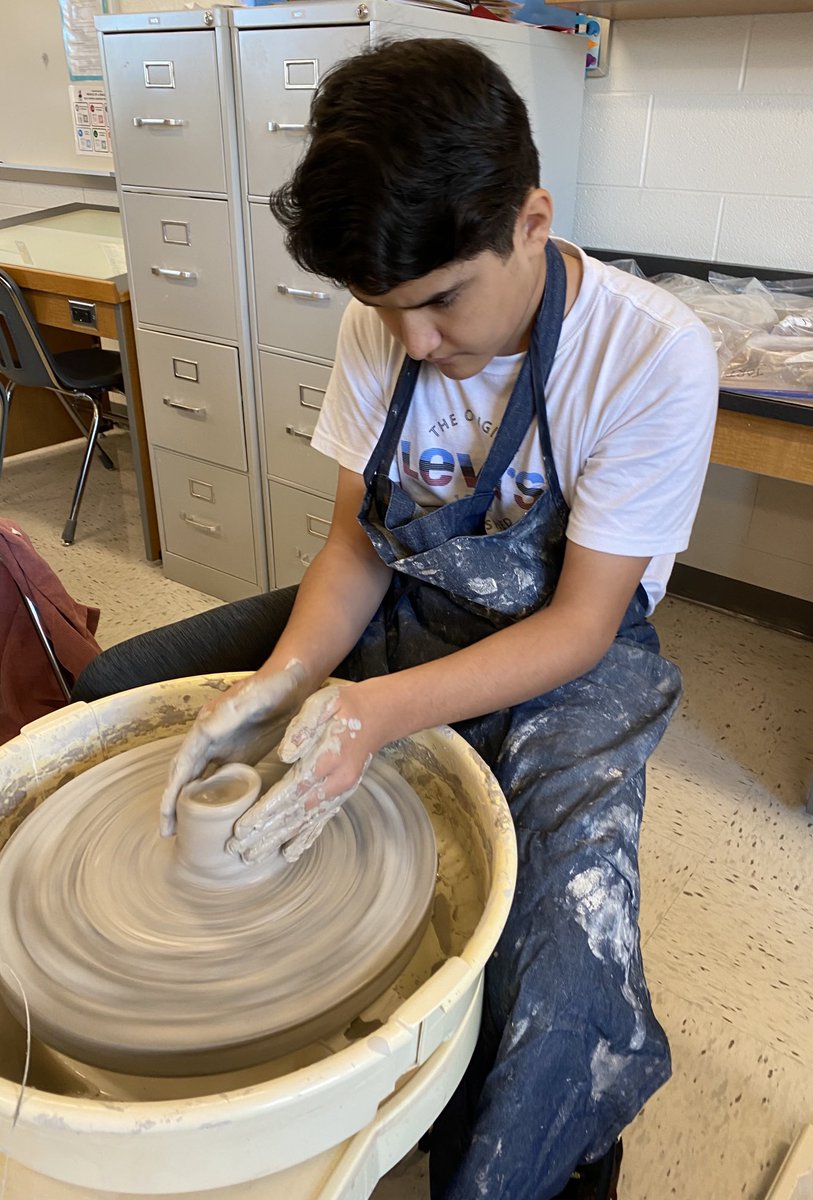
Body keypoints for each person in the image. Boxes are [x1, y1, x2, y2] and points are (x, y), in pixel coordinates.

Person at [74, 37, 718, 1200]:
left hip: (566, 658)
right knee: (113, 690)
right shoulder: (385, 319)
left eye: (439, 303)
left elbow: (578, 625)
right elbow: (357, 545)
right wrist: (283, 682)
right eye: (385, 310)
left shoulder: (651, 355)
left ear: (531, 218)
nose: (412, 341)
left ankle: (551, 1157)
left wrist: (365, 712)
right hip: (414, 598)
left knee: (563, 973)